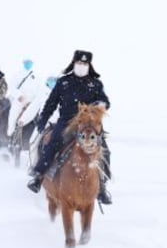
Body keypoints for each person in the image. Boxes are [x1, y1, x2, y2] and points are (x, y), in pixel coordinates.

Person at [27, 50, 112, 205]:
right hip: (66, 122)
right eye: (79, 63)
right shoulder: (63, 82)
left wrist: (98, 105)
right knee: (53, 143)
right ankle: (38, 177)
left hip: (89, 125)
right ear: (73, 63)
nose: (81, 66)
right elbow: (51, 103)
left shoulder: (95, 84)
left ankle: (102, 187)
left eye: (85, 64)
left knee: (105, 150)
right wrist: (43, 119)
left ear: (89, 66)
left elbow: (105, 102)